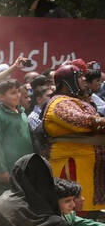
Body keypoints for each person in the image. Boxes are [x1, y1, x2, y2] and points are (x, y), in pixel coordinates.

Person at [43, 64, 105, 211]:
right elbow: (84, 122)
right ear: (67, 82)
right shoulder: (59, 103)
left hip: (89, 169)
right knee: (75, 214)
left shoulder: (77, 101)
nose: (84, 79)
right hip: (72, 167)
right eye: (79, 77)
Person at [0, 79, 35, 193]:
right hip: (10, 168)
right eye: (13, 93)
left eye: (18, 91)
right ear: (1, 97)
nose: (18, 95)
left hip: (26, 166)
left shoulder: (22, 113)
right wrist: (2, 170)